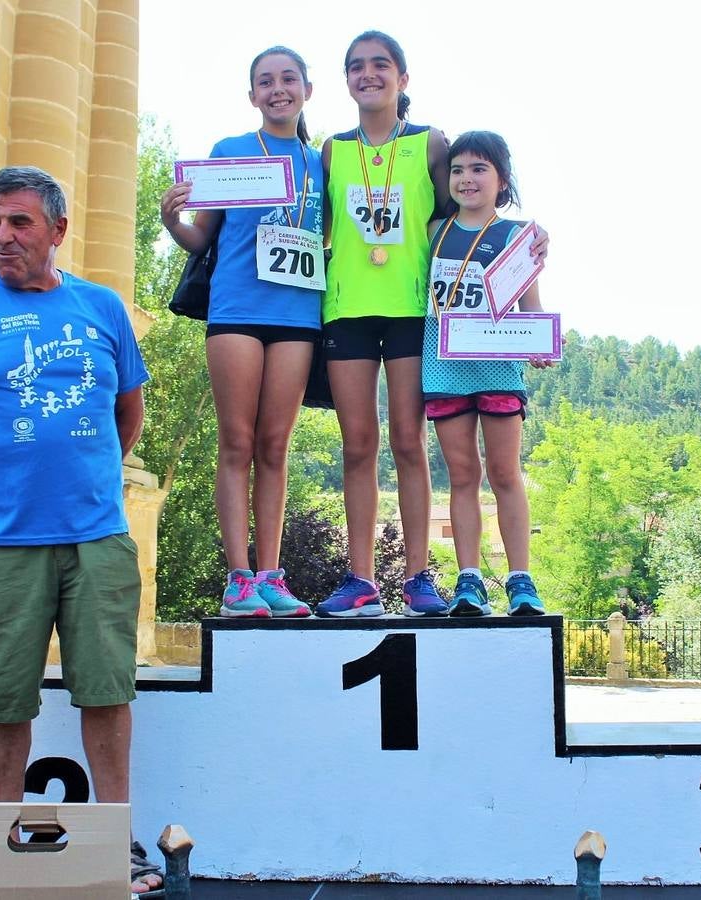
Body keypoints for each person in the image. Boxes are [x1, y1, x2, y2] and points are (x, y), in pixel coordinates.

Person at [0, 166, 162, 893]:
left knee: (106, 689)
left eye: (18, 223)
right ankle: (8, 839)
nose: (0, 237)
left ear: (57, 230)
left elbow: (126, 415)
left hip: (95, 537)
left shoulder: (101, 309)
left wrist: (85, 477)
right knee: (4, 696)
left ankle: (115, 843)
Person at [315, 32, 548, 618]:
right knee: (357, 445)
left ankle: (420, 577)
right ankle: (361, 578)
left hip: (417, 312)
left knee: (408, 442)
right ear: (345, 79)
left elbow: (472, 217)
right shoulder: (331, 149)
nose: (369, 75)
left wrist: (529, 243)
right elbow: (305, 220)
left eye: (381, 65)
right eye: (356, 67)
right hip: (347, 309)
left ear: (403, 78)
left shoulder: (430, 143)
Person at [160, 46, 323, 619]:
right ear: (252, 95)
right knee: (237, 441)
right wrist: (171, 221)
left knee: (275, 445)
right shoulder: (229, 153)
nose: (278, 89)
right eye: (265, 82)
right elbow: (201, 240)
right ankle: (238, 579)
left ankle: (272, 575)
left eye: (288, 79)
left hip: (298, 315)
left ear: (307, 88)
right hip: (236, 312)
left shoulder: (321, 161)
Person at [422, 131, 555, 617]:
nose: (466, 178)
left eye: (479, 169)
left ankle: (521, 580)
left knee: (504, 473)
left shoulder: (518, 236)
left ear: (502, 179)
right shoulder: (432, 229)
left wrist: (539, 345)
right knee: (461, 475)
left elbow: (531, 308)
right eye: (457, 169)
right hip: (443, 364)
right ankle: (469, 580)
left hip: (498, 366)